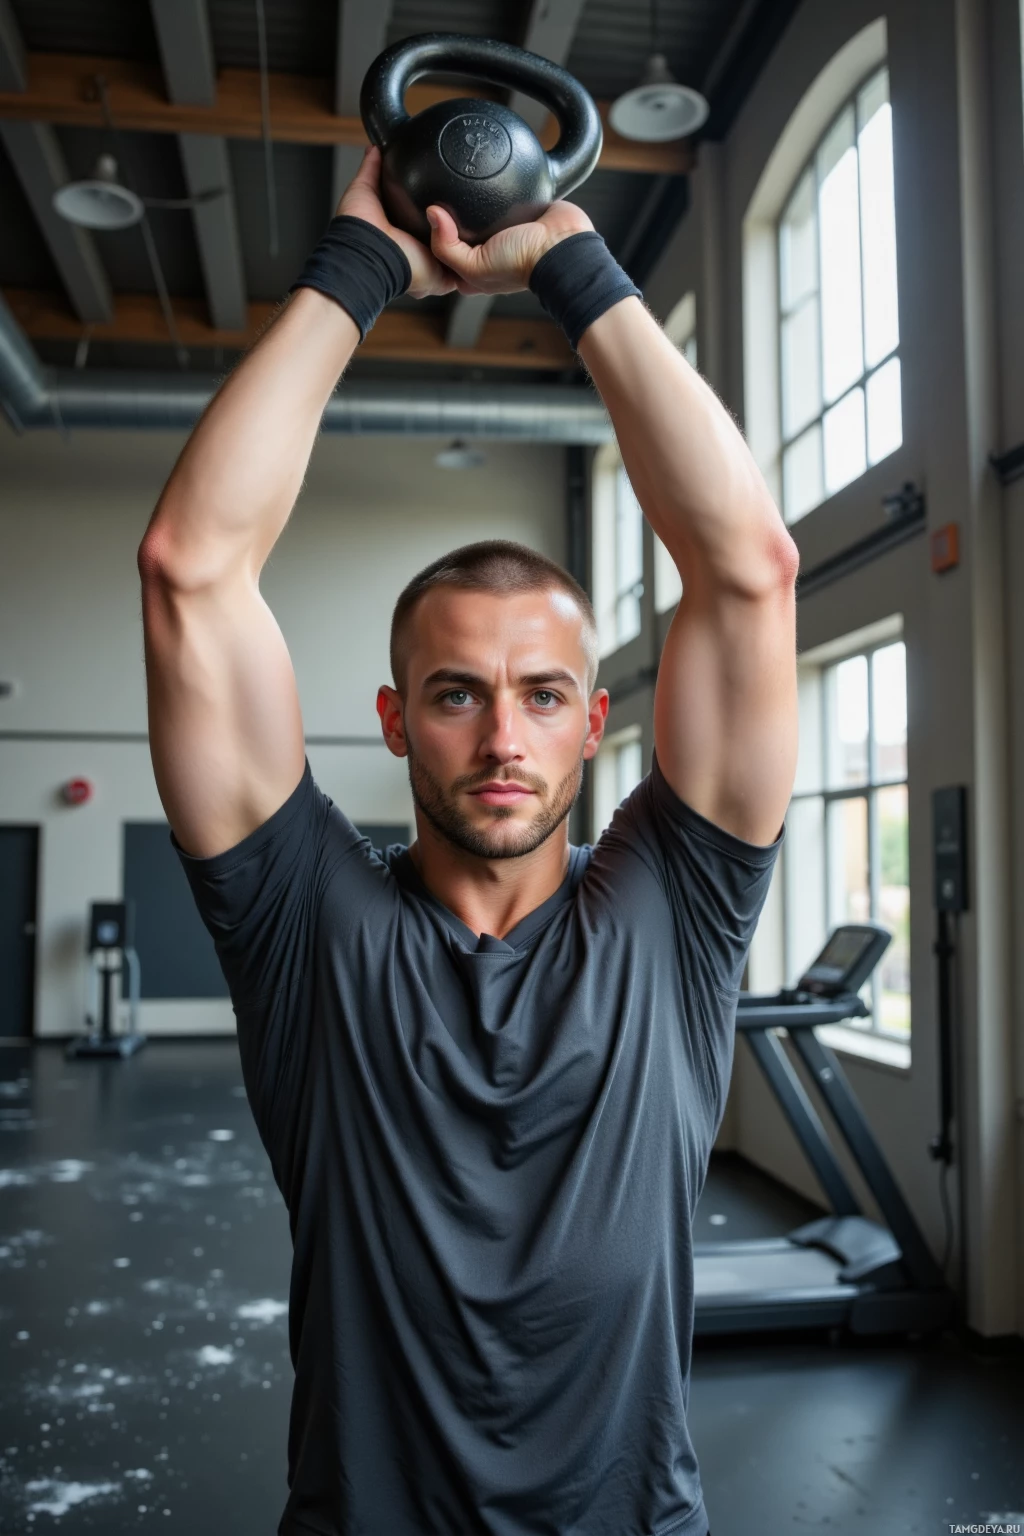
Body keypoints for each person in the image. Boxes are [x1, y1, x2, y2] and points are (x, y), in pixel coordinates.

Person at [138, 145, 798, 1536]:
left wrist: (573, 260)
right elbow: (192, 572)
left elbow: (747, 568)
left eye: (541, 696)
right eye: (458, 695)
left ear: (593, 721)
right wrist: (359, 261)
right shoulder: (308, 930)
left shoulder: (675, 917)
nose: (503, 738)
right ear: (394, 719)